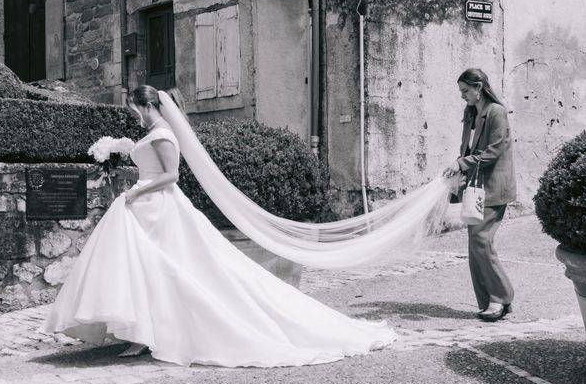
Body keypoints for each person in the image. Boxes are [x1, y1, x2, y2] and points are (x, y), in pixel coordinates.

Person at [41, 85, 396, 367]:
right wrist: (126, 165)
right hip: (145, 205)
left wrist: (137, 191)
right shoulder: (152, 132)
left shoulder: (163, 133)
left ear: (147, 106)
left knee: (167, 269)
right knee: (144, 269)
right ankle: (141, 331)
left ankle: (149, 334)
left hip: (159, 207)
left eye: (134, 109)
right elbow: (152, 167)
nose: (132, 115)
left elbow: (171, 175)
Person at [443, 68, 517, 321]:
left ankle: (502, 297)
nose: (463, 96)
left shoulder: (496, 111)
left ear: (479, 87)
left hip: (494, 186)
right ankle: (489, 301)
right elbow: (468, 150)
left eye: (466, 91)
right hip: (475, 187)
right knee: (475, 245)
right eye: (461, 91)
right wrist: (458, 167)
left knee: (480, 241)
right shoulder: (471, 113)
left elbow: (494, 151)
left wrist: (462, 164)